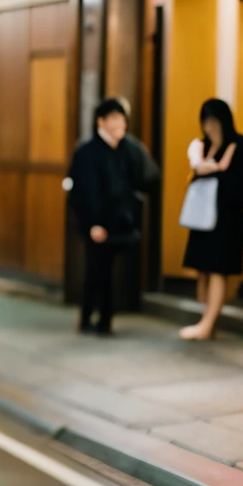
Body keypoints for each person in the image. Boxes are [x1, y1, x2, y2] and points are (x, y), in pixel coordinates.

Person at [179, 97, 243, 340]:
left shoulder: (240, 145)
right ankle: (208, 321)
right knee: (204, 270)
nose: (209, 127)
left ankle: (207, 325)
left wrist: (226, 187)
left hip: (226, 221)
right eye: (205, 122)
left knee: (219, 270)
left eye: (214, 121)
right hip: (203, 219)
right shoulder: (203, 147)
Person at [66, 98, 149, 335]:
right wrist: (93, 223)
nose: (119, 123)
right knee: (97, 270)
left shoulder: (128, 149)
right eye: (113, 118)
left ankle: (102, 319)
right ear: (100, 122)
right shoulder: (87, 152)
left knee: (105, 270)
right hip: (97, 223)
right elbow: (83, 192)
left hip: (120, 222)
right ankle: (92, 318)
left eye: (122, 119)